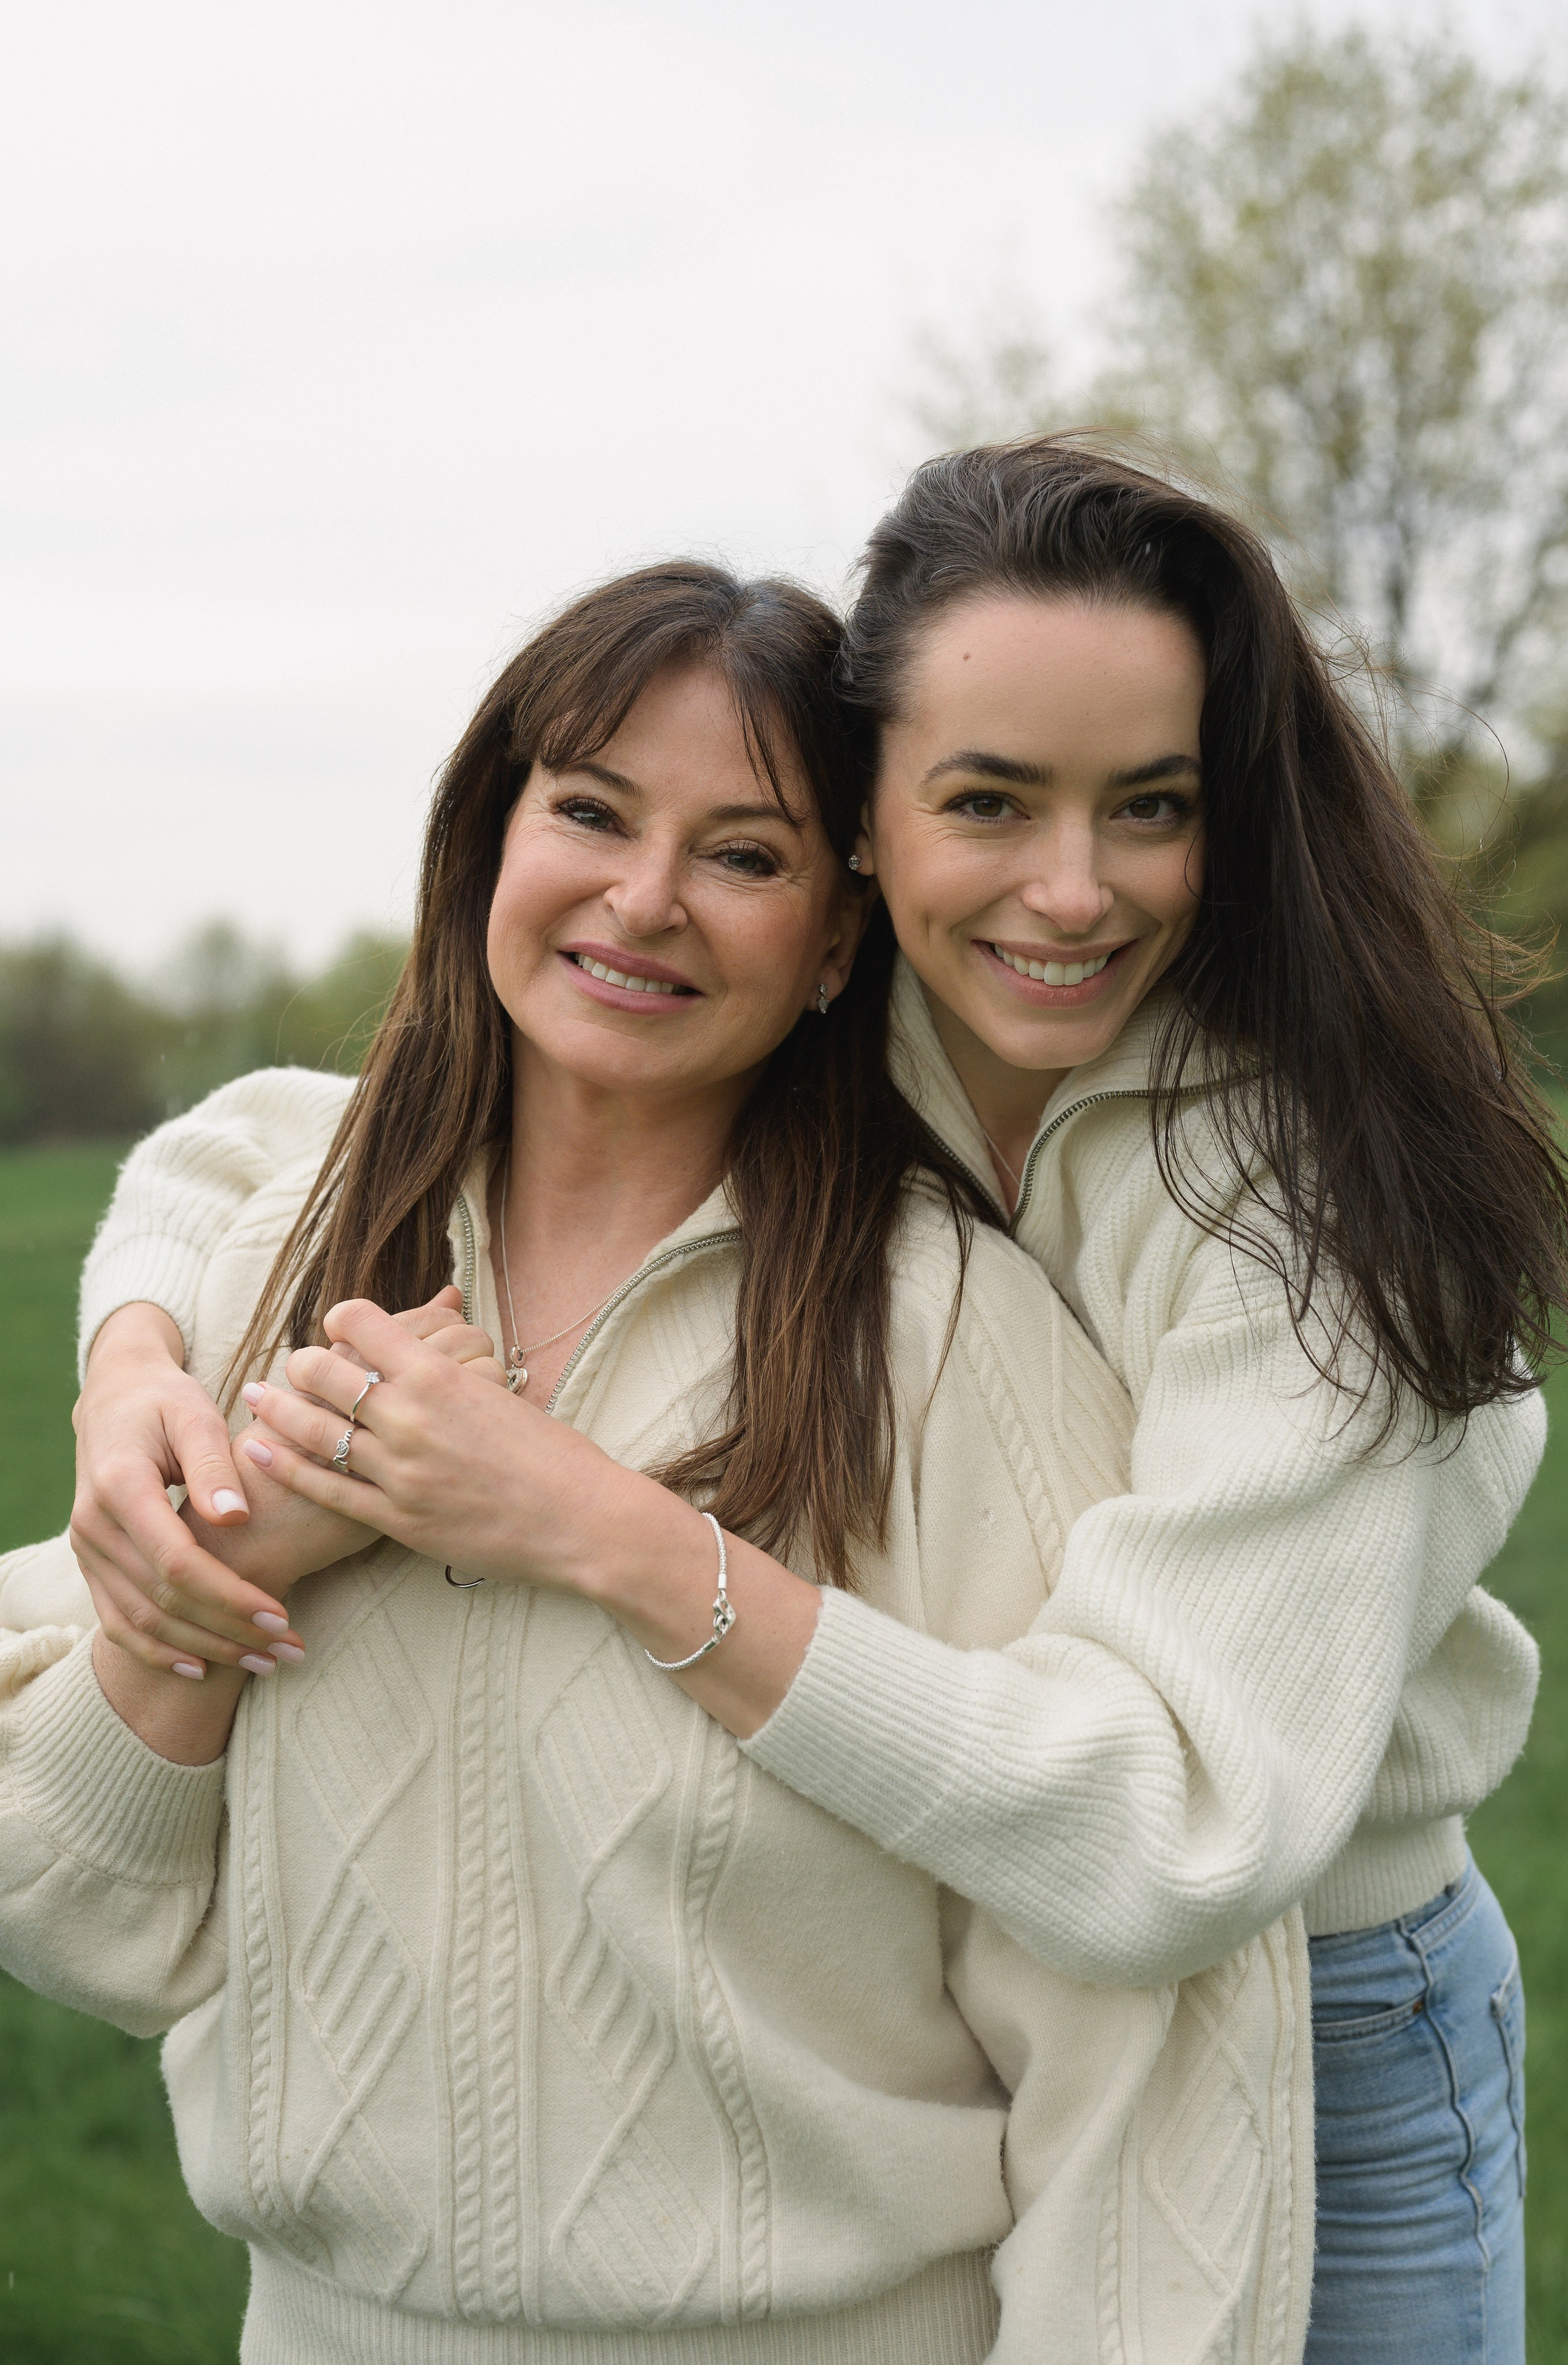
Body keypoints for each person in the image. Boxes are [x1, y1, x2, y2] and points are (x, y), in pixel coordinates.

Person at [0, 563, 1312, 2365]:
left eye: (748, 855)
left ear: (843, 937)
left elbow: (1146, 2040)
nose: (645, 899)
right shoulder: (272, 1281)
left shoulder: (942, 1347)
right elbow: (81, 1916)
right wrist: (233, 1561)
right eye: (593, 813)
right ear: (489, 846)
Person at [821, 436, 1551, 2364]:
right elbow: (333, 1134)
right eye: (991, 801)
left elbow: (1184, 1832)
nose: (1074, 892)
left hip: (1320, 2013)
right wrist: (143, 1338)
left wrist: (677, 1591)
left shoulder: (1298, 1188)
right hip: (932, 2002)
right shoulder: (829, 1044)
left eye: (1149, 808)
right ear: (866, 815)